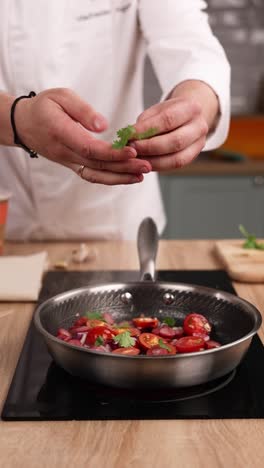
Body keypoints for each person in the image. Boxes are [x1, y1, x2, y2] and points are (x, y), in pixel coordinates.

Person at [0, 0, 230, 240]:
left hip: (118, 227)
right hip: (8, 220)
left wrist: (194, 102)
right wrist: (17, 118)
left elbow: (193, 48)